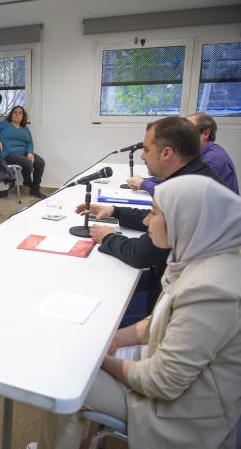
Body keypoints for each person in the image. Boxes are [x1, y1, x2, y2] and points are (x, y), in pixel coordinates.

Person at [37, 175, 241, 449]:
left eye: (154, 213)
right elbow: (164, 322)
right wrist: (115, 339)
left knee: (65, 379)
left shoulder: (211, 291)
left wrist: (99, 356)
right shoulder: (201, 255)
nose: (146, 221)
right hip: (173, 372)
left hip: (183, 412)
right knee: (76, 359)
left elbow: (160, 382)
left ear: (184, 222)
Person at [78, 116, 221, 313]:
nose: (142, 157)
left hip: (180, 305)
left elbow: (140, 254)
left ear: (166, 153)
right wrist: (116, 211)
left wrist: (108, 237)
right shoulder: (196, 177)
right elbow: (156, 219)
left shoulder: (184, 194)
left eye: (146, 150)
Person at [130, 113, 239, 195]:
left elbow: (177, 193)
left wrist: (144, 184)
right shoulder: (198, 155)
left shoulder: (211, 160)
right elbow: (175, 180)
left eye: (189, 130)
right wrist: (146, 180)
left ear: (205, 133)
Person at [0, 106, 47, 198]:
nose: (17, 114)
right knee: (27, 163)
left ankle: (35, 190)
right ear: (11, 114)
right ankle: (28, 181)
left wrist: (30, 152)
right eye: (15, 112)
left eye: (20, 113)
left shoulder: (25, 129)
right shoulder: (3, 124)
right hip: (8, 155)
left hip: (23, 154)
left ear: (23, 116)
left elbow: (30, 143)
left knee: (40, 163)